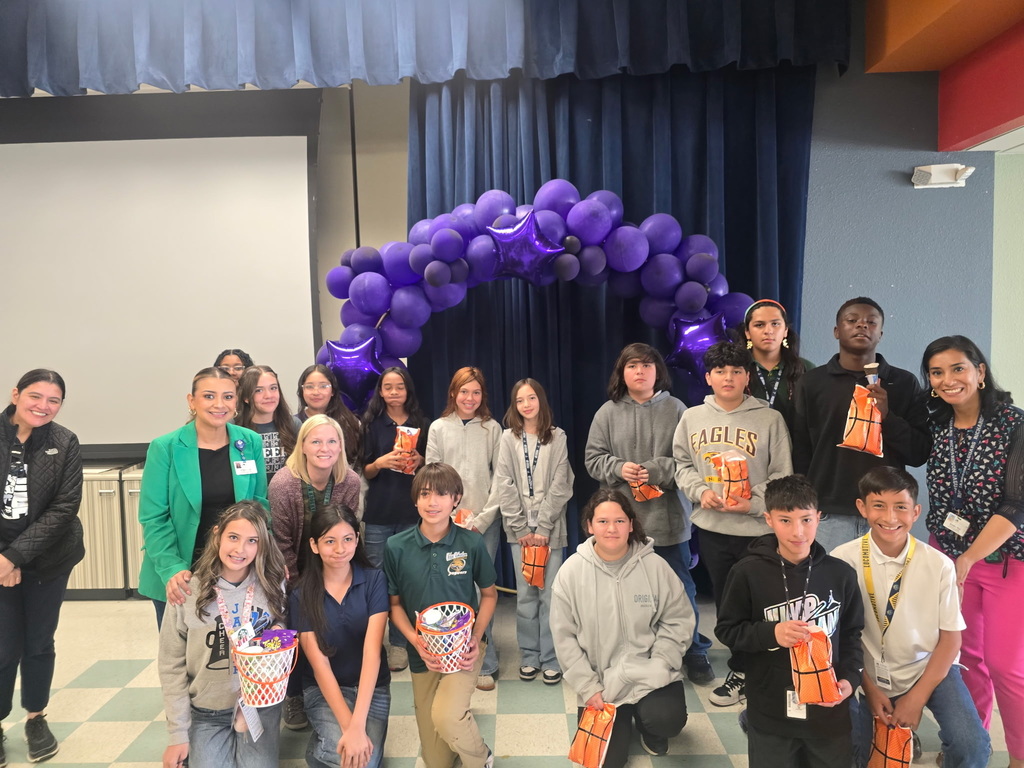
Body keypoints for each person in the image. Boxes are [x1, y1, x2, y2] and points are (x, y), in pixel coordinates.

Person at [832, 467, 989, 768]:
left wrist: (916, 698)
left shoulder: (939, 565)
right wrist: (869, 687)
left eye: (901, 507)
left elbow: (951, 638)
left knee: (972, 744)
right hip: (863, 672)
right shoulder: (842, 560)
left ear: (916, 511)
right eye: (879, 506)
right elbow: (838, 639)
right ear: (862, 508)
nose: (890, 518)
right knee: (855, 753)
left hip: (927, 667)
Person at [584, 342, 715, 685]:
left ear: (658, 371)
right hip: (621, 525)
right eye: (631, 366)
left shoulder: (678, 410)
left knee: (679, 589)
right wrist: (618, 467)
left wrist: (656, 470)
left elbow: (692, 462)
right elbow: (592, 459)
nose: (639, 371)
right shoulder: (607, 412)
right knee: (624, 592)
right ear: (621, 372)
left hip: (669, 519)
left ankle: (693, 650)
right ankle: (631, 650)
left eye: (646, 365)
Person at [921, 335, 1023, 768]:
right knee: (965, 661)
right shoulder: (936, 426)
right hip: (947, 557)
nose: (949, 380)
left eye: (958, 368)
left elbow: (1017, 504)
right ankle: (972, 747)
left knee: (1006, 667)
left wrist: (968, 557)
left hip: (1004, 562)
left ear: (980, 372)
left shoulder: (1014, 424)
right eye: (937, 372)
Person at [673, 342, 792, 707]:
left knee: (763, 605)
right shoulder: (692, 417)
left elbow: (781, 473)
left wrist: (753, 503)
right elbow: (681, 464)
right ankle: (741, 669)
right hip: (713, 529)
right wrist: (699, 492)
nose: (728, 378)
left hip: (758, 532)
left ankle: (759, 671)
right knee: (728, 606)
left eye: (736, 371)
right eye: (721, 371)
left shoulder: (769, 418)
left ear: (747, 376)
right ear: (708, 377)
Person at [715, 475, 864, 768]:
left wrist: (849, 680)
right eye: (786, 520)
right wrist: (772, 633)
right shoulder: (748, 572)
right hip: (771, 711)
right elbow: (727, 629)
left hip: (828, 711)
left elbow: (851, 634)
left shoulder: (841, 574)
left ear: (819, 517)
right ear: (768, 519)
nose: (798, 531)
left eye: (806, 520)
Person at [550, 488, 693, 767]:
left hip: (650, 674)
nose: (611, 529)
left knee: (667, 720)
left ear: (631, 524)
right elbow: (564, 637)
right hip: (602, 686)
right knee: (606, 762)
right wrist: (588, 687)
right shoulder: (570, 573)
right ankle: (623, 718)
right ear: (589, 526)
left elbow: (678, 620)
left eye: (619, 521)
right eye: (602, 521)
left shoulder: (655, 566)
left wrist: (662, 662)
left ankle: (647, 724)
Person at [791, 297, 930, 552]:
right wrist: (806, 506)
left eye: (870, 322)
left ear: (880, 333)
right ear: (836, 331)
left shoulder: (903, 383)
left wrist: (887, 417)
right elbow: (800, 450)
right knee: (833, 590)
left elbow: (920, 452)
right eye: (852, 320)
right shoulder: (811, 383)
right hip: (829, 512)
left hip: (887, 513)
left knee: (885, 591)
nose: (861, 326)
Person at [158, 501, 288, 768]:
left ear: (262, 545)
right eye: (233, 537)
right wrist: (178, 735)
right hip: (207, 709)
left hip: (258, 706)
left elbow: (283, 628)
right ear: (217, 535)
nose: (240, 549)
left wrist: (278, 632)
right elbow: (171, 666)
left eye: (252, 541)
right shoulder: (185, 591)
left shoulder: (273, 584)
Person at [383, 463, 496, 768]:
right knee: (437, 761)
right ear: (415, 499)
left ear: (456, 498)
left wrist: (474, 638)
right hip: (423, 654)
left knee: (446, 717)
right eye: (425, 494)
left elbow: (489, 595)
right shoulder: (396, 547)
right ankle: (458, 720)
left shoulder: (470, 542)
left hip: (464, 650)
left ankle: (481, 757)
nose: (433, 502)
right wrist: (415, 641)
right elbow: (394, 605)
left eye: (442, 494)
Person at [138, 367, 268, 628]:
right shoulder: (166, 447)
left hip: (237, 568)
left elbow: (259, 504)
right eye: (209, 396)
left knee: (237, 652)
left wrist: (267, 561)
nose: (219, 404)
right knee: (182, 656)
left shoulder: (249, 442)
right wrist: (172, 568)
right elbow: (154, 518)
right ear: (192, 401)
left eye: (228, 397)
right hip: (182, 569)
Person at [0, 369, 84, 764]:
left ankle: (36, 717)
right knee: (2, 645)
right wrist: (3, 558)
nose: (43, 406)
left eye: (53, 400)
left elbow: (64, 508)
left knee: (38, 641)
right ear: (16, 394)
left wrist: (15, 556)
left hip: (49, 560)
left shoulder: (65, 442)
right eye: (35, 396)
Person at [476, 378, 574, 685]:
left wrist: (543, 526)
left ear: (541, 401)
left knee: (551, 596)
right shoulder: (508, 438)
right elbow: (503, 483)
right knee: (526, 597)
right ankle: (530, 656)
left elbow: (561, 484)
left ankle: (551, 658)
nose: (526, 405)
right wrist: (520, 527)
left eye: (531, 398)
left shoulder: (557, 437)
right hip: (519, 531)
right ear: (514, 406)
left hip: (550, 530)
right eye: (520, 400)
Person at [269, 414, 361, 731]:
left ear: (341, 446)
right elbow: (281, 542)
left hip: (334, 564)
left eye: (332, 441)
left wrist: (333, 581)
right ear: (303, 446)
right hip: (291, 569)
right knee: (295, 627)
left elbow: (347, 533)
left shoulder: (350, 481)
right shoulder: (283, 484)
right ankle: (294, 696)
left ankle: (338, 686)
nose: (325, 448)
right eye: (316, 441)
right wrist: (299, 588)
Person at [291, 505, 390, 768]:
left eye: (348, 539)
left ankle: (324, 745)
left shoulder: (374, 580)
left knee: (364, 761)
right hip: (324, 689)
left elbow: (372, 653)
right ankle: (325, 745)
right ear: (314, 545)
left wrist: (357, 725)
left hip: (372, 687)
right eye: (329, 541)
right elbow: (319, 664)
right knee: (344, 756)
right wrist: (350, 728)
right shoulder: (301, 594)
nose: (340, 549)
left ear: (357, 540)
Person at [424, 367, 502, 691]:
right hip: (447, 522)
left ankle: (486, 658)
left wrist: (482, 518)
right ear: (453, 393)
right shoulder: (439, 428)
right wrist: (448, 516)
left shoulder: (492, 428)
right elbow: (431, 476)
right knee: (453, 589)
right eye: (463, 391)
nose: (469, 398)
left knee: (482, 588)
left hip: (485, 522)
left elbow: (503, 477)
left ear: (483, 396)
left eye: (476, 392)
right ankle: (452, 652)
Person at [359, 366, 428, 673]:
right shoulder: (370, 424)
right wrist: (381, 462)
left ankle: (403, 642)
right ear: (381, 392)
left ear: (408, 389)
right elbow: (364, 470)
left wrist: (420, 460)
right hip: (379, 514)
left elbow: (430, 465)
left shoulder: (421, 423)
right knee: (377, 580)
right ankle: (378, 643)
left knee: (409, 579)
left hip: (413, 514)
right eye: (388, 387)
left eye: (399, 387)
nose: (394, 392)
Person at [738, 299, 814, 430]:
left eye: (775, 324)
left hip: (795, 447)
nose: (768, 331)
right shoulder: (735, 369)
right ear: (747, 333)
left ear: (785, 331)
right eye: (759, 325)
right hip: (745, 446)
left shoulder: (806, 369)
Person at [237, 365, 298, 478]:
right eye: (259, 390)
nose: (268, 395)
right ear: (246, 397)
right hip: (249, 494)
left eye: (273, 388)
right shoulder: (233, 427)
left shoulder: (293, 424)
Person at [295, 365, 361, 468]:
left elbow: (359, 465)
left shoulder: (351, 422)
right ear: (302, 390)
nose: (316, 392)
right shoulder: (293, 424)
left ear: (333, 391)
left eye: (323, 386)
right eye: (309, 387)